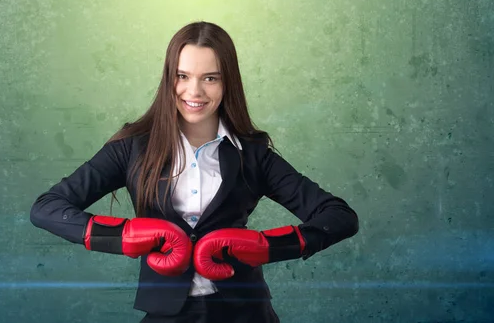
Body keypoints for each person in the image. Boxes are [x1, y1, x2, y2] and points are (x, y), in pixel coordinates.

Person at [30, 21, 359, 323]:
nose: (194, 91)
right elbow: (47, 208)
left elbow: (339, 216)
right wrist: (125, 235)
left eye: (210, 77)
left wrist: (267, 246)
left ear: (227, 81)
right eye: (182, 76)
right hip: (165, 313)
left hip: (247, 313)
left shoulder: (253, 153)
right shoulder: (131, 148)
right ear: (168, 77)